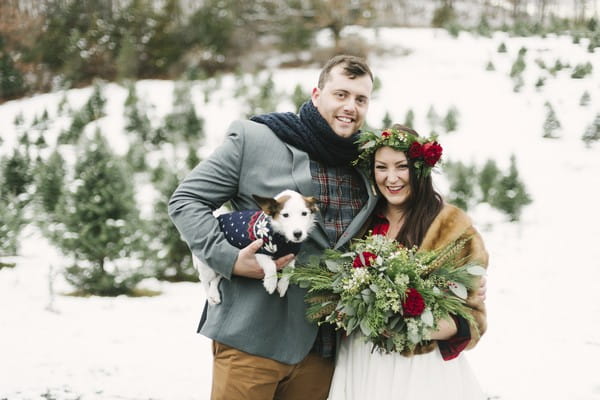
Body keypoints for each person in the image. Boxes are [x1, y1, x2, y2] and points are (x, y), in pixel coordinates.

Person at [168, 55, 379, 400]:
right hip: (252, 338)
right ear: (316, 94)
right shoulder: (255, 139)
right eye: (340, 94)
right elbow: (186, 200)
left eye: (361, 99)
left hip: (322, 350)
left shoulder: (365, 161)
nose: (350, 107)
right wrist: (230, 260)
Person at [328, 124, 489, 400]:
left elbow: (471, 320)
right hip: (362, 361)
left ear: (419, 168)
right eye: (381, 168)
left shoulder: (451, 227)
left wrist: (408, 322)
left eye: (401, 166)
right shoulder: (361, 223)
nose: (391, 178)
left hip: (419, 371)